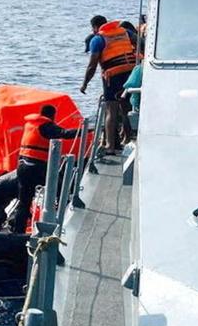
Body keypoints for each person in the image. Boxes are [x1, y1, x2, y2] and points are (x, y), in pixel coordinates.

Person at [7, 105, 79, 233]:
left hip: (22, 167)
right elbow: (65, 134)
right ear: (52, 115)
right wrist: (85, 129)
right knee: (60, 186)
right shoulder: (46, 126)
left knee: (24, 201)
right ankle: (63, 215)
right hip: (36, 167)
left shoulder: (30, 124)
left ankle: (18, 231)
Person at [80, 15, 137, 151]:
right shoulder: (125, 32)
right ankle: (128, 138)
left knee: (111, 109)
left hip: (113, 76)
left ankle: (110, 146)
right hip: (130, 72)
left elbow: (92, 65)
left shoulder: (98, 39)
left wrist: (85, 83)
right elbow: (140, 43)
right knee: (126, 107)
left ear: (94, 27)